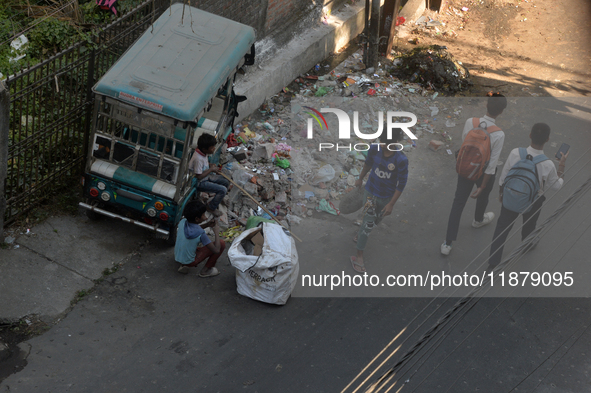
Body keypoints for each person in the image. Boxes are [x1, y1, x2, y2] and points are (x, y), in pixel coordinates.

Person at [488, 123, 567, 269]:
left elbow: (504, 176)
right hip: (533, 202)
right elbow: (556, 186)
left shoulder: (515, 153)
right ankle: (526, 244)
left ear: (530, 135)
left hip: (510, 197)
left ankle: (493, 262)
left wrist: (501, 194)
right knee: (529, 225)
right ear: (547, 139)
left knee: (502, 228)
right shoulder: (548, 164)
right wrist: (561, 167)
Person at [440, 93, 508, 256]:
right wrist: (483, 185)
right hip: (483, 172)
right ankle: (478, 220)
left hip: (466, 167)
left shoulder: (471, 122)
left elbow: (465, 142)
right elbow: (492, 164)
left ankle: (447, 243)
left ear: (486, 105)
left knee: (458, 202)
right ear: (501, 112)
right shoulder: (499, 134)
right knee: (483, 197)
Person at [350, 129, 409, 273]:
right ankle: (359, 257)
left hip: (386, 198)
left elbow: (401, 184)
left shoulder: (401, 160)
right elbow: (367, 164)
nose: (383, 145)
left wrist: (391, 204)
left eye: (387, 143)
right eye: (382, 141)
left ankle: (362, 231)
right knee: (368, 223)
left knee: (376, 221)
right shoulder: (374, 150)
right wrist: (360, 178)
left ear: (395, 142)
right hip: (370, 193)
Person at [174, 200, 225, 277]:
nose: (206, 217)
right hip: (190, 261)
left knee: (191, 244)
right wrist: (216, 232)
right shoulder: (201, 234)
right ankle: (205, 271)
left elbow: (194, 229)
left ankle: (183, 264)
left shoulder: (183, 222)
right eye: (203, 215)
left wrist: (207, 224)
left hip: (177, 256)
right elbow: (216, 250)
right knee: (221, 243)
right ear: (197, 219)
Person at [188, 133, 231, 214]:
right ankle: (211, 207)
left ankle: (217, 198)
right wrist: (211, 169)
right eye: (212, 148)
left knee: (225, 181)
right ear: (204, 149)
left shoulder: (202, 152)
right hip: (199, 182)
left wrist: (210, 166)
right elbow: (199, 176)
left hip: (205, 176)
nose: (214, 149)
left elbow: (205, 164)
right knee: (223, 190)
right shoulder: (198, 159)